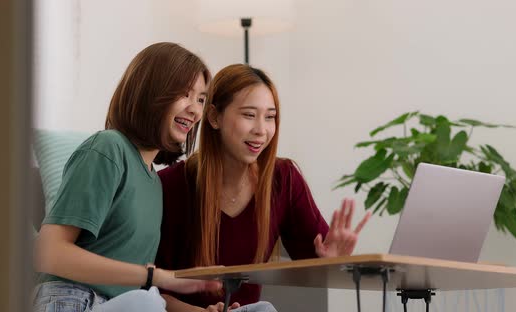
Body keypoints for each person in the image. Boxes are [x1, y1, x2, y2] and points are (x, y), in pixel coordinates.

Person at [156, 64, 371, 312]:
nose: (261, 130)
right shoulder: (170, 186)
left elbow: (317, 266)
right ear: (214, 117)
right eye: (249, 115)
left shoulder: (284, 179)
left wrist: (331, 261)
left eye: (270, 117)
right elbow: (148, 292)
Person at [32, 42, 221, 312]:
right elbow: (47, 253)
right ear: (150, 92)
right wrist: (153, 277)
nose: (195, 110)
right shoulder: (108, 148)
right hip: (71, 299)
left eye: (201, 99)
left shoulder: (154, 182)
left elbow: (133, 289)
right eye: (184, 94)